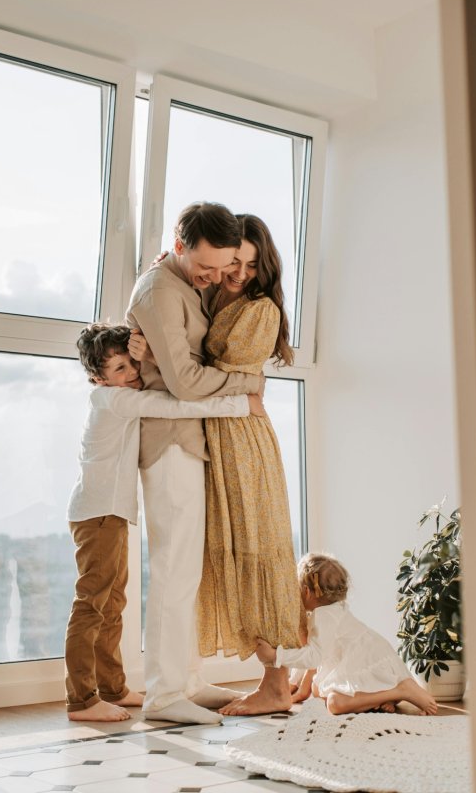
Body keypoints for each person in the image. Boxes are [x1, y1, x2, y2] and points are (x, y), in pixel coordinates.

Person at [64, 322, 262, 722]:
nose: (131, 375)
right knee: (93, 604)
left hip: (110, 513)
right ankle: (81, 700)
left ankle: (114, 688)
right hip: (97, 513)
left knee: (113, 603)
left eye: (129, 365)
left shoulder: (118, 395)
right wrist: (241, 403)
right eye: (119, 370)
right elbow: (174, 407)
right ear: (98, 377)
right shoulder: (111, 400)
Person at [126, 203, 263, 725]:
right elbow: (183, 383)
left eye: (222, 268)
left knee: (187, 570)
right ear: (180, 247)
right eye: (206, 268)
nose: (214, 278)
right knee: (172, 571)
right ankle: (162, 697)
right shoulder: (161, 289)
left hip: (191, 440)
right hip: (169, 441)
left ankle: (184, 679)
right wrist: (245, 385)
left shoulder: (184, 281)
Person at [195, 213, 305, 717]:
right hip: (221, 431)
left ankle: (275, 683)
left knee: (253, 550)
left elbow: (216, 371)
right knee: (230, 551)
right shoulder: (217, 295)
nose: (240, 270)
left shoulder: (260, 309)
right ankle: (276, 681)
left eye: (251, 263)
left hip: (241, 439)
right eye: (234, 259)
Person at [255, 552, 439, 716]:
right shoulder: (331, 609)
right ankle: (385, 695)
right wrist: (295, 685)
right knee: (319, 689)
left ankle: (400, 691)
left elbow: (313, 658)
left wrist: (275, 655)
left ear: (306, 592)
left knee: (334, 704)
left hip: (367, 660)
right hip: (371, 655)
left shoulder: (324, 616)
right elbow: (313, 659)